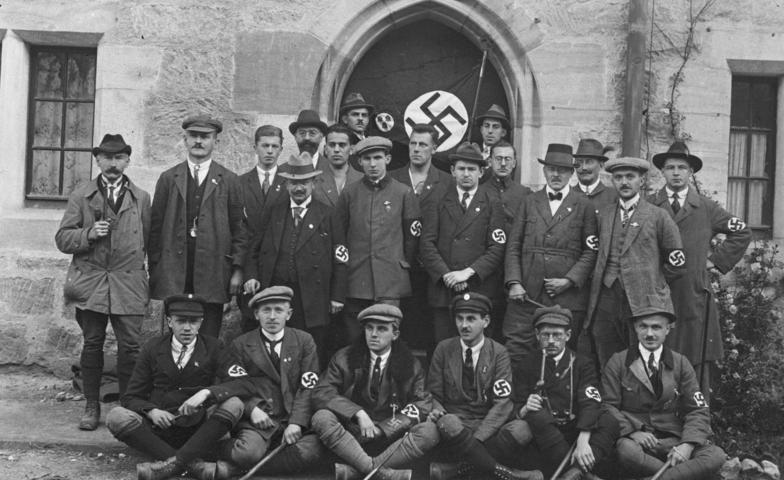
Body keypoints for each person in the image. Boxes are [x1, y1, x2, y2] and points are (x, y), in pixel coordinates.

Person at [55, 133, 151, 431]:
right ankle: (91, 404)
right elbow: (62, 239)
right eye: (107, 157)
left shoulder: (141, 198)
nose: (113, 163)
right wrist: (88, 234)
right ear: (97, 160)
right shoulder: (81, 195)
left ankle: (128, 406)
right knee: (93, 343)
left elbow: (148, 241)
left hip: (128, 281)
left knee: (130, 347)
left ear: (127, 160)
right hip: (91, 281)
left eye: (119, 157)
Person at [648, 141, 751, 396]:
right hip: (658, 291)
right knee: (657, 353)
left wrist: (715, 260)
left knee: (695, 358)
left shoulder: (706, 207)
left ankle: (696, 415)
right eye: (670, 167)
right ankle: (659, 414)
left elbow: (742, 231)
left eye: (682, 167)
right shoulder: (649, 205)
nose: (676, 172)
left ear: (690, 172)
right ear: (662, 171)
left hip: (694, 293)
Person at [106, 294, 244, 480]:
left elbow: (239, 382)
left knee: (235, 403)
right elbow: (130, 397)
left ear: (201, 322)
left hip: (200, 430)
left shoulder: (214, 346)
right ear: (170, 321)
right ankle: (194, 466)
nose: (187, 327)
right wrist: (152, 411)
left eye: (193, 321)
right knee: (116, 416)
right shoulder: (153, 347)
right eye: (180, 321)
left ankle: (170, 465)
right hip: (160, 429)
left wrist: (206, 393)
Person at [207, 286, 327, 478]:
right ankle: (217, 448)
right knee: (247, 453)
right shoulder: (241, 344)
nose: (272, 317)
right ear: (256, 314)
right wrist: (252, 408)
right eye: (266, 310)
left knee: (315, 449)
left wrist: (297, 422)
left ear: (289, 314)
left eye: (278, 310)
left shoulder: (304, 341)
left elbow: (308, 386)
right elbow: (233, 386)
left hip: (290, 417)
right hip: (260, 420)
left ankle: (235, 469)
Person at [311, 304, 439, 480]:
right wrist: (357, 413)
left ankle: (359, 470)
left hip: (391, 438)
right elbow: (322, 392)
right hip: (352, 435)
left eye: (382, 329)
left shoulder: (411, 364)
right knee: (321, 417)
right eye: (369, 328)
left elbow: (422, 404)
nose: (373, 334)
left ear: (395, 334)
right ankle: (380, 473)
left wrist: (384, 429)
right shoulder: (344, 358)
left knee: (430, 431)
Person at [243, 152, 347, 367]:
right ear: (287, 184)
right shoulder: (274, 212)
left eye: (304, 183)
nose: (299, 188)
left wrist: (337, 295)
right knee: (276, 345)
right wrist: (251, 276)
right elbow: (254, 249)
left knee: (310, 349)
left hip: (312, 295)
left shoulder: (328, 214)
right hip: (277, 292)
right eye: (294, 183)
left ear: (314, 183)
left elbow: (341, 258)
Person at [149, 114, 247, 338]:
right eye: (193, 136)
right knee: (175, 334)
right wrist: (156, 268)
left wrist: (237, 269)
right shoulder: (168, 178)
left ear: (215, 141)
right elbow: (155, 228)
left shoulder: (229, 180)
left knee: (209, 336)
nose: (199, 141)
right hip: (175, 272)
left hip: (213, 272)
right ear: (185, 139)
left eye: (205, 137)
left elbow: (240, 229)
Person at [427, 292, 542, 480]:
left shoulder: (499, 353)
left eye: (471, 319)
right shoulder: (444, 348)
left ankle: (456, 470)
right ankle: (511, 475)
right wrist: (438, 412)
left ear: (486, 321)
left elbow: (503, 403)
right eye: (459, 318)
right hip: (456, 422)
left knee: (522, 429)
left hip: (487, 422)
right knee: (448, 422)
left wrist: (477, 440)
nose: (464, 325)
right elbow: (434, 394)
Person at [585, 157, 685, 369]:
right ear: (613, 181)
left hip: (644, 299)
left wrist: (653, 282)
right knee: (606, 351)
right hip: (607, 296)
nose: (624, 182)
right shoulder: (604, 214)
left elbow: (676, 263)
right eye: (618, 177)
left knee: (640, 355)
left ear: (641, 180)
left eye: (630, 177)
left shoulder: (658, 216)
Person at [602, 311, 726, 480]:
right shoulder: (618, 361)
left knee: (716, 455)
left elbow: (697, 409)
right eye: (643, 326)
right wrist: (632, 433)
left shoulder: (680, 362)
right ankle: (683, 475)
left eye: (656, 327)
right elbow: (608, 405)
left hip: (674, 440)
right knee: (626, 451)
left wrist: (687, 444)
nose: (649, 334)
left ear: (667, 329)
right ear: (635, 328)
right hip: (638, 443)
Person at [505, 143, 597, 366]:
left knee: (562, 354)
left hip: (565, 297)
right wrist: (514, 282)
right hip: (527, 294)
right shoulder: (529, 202)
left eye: (562, 170)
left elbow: (591, 251)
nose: (556, 174)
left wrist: (569, 280)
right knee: (518, 352)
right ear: (544, 171)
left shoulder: (584, 205)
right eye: (552, 169)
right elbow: (513, 246)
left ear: (571, 173)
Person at [512, 306, 618, 479]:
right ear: (537, 335)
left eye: (557, 335)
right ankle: (582, 474)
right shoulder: (527, 364)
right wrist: (525, 407)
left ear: (568, 335)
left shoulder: (582, 363)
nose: (551, 341)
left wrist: (583, 441)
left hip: (576, 428)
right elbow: (516, 403)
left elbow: (590, 401)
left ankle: (574, 473)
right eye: (545, 335)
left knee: (609, 421)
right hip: (546, 436)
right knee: (535, 414)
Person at [334, 136, 421, 344]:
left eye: (378, 158)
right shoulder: (349, 193)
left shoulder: (403, 193)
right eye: (367, 159)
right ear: (360, 162)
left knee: (387, 337)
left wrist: (401, 263)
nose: (373, 164)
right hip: (356, 279)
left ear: (387, 159)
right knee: (356, 339)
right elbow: (339, 235)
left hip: (390, 280)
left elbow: (412, 238)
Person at [421, 142, 506, 343]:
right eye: (461, 169)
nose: (466, 174)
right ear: (452, 171)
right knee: (444, 346)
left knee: (477, 347)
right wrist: (447, 275)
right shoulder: (438, 199)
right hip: (444, 290)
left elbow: (497, 247)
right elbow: (426, 244)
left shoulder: (492, 202)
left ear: (481, 172)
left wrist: (467, 273)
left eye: (471, 169)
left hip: (478, 287)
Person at [391, 123, 454, 350]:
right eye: (413, 143)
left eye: (423, 145)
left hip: (433, 268)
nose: (416, 149)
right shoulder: (393, 178)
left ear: (434, 149)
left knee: (431, 329)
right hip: (399, 264)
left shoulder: (447, 181)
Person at [237, 124, 289, 332]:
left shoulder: (290, 183)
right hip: (249, 267)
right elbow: (238, 229)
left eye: (274, 146)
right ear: (255, 148)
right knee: (251, 324)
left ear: (281, 149)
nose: (269, 151)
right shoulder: (239, 183)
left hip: (279, 268)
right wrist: (243, 270)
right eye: (265, 146)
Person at [312, 123, 363, 208]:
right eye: (332, 145)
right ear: (325, 149)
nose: (336, 150)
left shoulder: (363, 180)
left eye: (342, 145)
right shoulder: (313, 180)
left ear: (351, 149)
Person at [486, 140, 532, 227]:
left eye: (507, 159)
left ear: (514, 163)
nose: (503, 164)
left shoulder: (525, 194)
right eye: (498, 159)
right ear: (490, 162)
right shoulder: (480, 191)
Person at [572, 138, 617, 210]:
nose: (584, 167)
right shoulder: (566, 195)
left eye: (589, 162)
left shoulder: (614, 197)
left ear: (601, 165)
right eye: (579, 162)